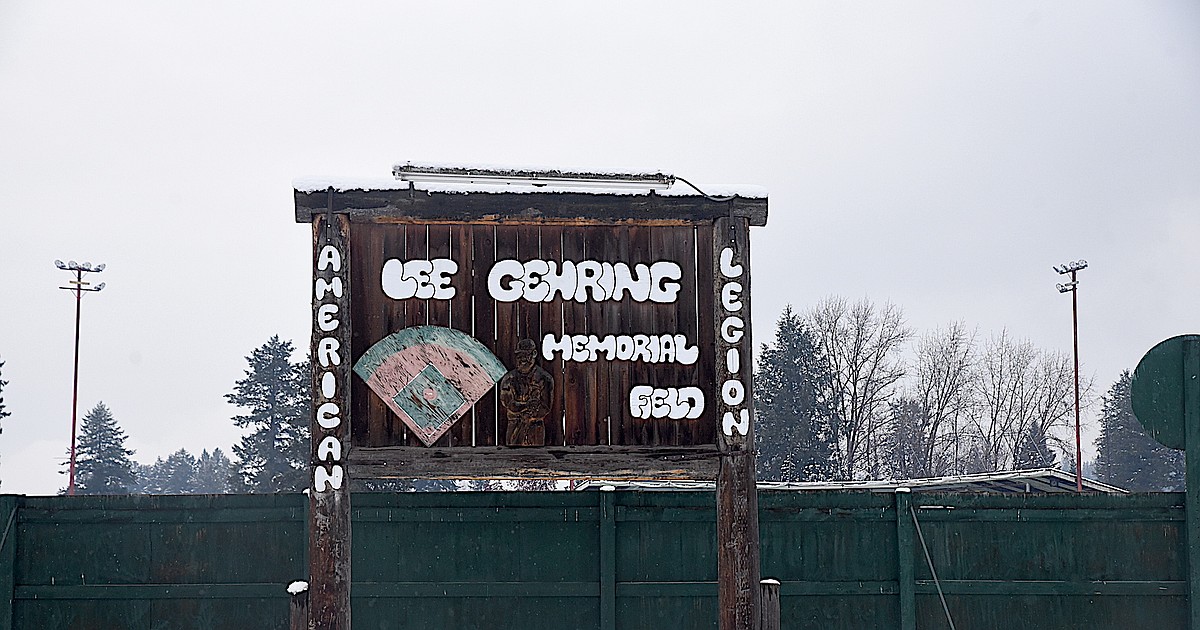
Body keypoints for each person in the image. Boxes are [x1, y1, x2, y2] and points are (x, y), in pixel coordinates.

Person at [499, 339, 553, 447]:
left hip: (535, 429)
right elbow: (508, 403)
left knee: (536, 455)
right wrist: (527, 406)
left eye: (526, 355)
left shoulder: (545, 379)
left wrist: (530, 414)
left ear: (534, 354)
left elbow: (546, 407)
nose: (522, 359)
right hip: (514, 427)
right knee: (512, 455)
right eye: (519, 355)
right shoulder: (509, 379)